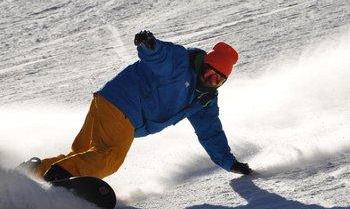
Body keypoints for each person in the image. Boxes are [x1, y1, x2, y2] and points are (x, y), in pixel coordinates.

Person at [20, 30, 252, 181]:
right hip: (124, 106)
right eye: (211, 73)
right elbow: (159, 57)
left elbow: (210, 133)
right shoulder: (181, 62)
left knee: (83, 154)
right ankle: (59, 178)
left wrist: (230, 163)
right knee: (109, 159)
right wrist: (149, 45)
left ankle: (32, 173)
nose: (211, 81)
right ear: (205, 64)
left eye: (218, 80)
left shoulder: (204, 101)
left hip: (107, 102)